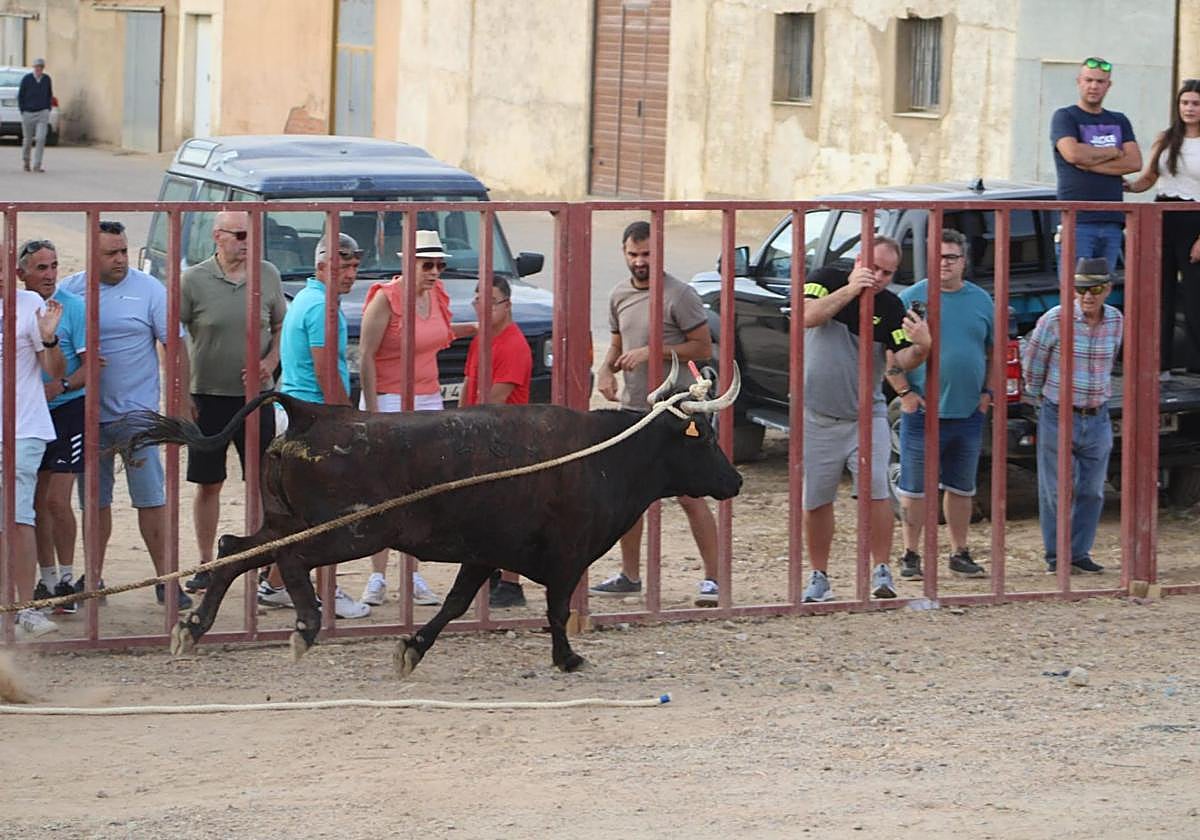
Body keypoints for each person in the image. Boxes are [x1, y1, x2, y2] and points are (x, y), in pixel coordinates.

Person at [60, 219, 194, 609]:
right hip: (86, 415)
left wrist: (180, 402)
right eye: (110, 253)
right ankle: (93, 579)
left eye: (123, 250)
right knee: (93, 502)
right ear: (91, 254)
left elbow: (175, 345)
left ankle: (166, 579)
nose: (120, 259)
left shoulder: (149, 289)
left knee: (151, 498)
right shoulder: (72, 290)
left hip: (137, 417)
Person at [590, 220, 722, 607]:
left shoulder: (679, 295)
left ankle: (713, 579)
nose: (640, 262)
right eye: (633, 254)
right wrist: (605, 369)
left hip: (677, 408)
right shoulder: (618, 295)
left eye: (647, 254)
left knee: (690, 495)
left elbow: (702, 348)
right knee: (631, 497)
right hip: (635, 407)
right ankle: (630, 576)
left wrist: (655, 351)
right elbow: (617, 345)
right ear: (624, 253)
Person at [799, 237, 932, 603]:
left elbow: (895, 363)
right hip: (817, 415)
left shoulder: (890, 305)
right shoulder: (826, 278)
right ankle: (819, 576)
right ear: (859, 260)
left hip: (865, 413)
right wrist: (850, 289)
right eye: (874, 268)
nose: (880, 277)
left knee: (875, 490)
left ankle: (881, 571)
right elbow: (808, 316)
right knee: (815, 499)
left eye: (888, 272)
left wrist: (922, 347)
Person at [357, 229, 476, 608]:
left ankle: (413, 575)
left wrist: (476, 328)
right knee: (384, 489)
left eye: (439, 264)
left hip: (428, 397)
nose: (435, 271)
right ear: (408, 263)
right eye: (428, 264)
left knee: (423, 488)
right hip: (391, 398)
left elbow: (440, 336)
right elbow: (365, 355)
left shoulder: (437, 297)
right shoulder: (385, 299)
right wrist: (373, 411)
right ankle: (377, 575)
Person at [179, 211, 287, 594]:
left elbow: (279, 327)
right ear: (218, 237)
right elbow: (174, 334)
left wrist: (269, 362)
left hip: (257, 398)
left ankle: (260, 561)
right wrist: (180, 393)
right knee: (208, 482)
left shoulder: (268, 274)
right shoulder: (193, 280)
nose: (246, 242)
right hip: (207, 397)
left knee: (263, 482)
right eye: (239, 234)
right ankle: (207, 563)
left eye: (251, 235)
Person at [271, 231, 372, 619]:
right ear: (321, 266)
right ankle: (326, 592)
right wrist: (346, 421)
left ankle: (278, 582)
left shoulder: (311, 300)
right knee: (328, 513)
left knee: (300, 511)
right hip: (315, 418)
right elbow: (326, 368)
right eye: (343, 265)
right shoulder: (321, 308)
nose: (350, 273)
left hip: (300, 413)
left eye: (353, 266)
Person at [888, 229, 993, 580]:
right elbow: (890, 355)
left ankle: (959, 552)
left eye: (952, 257)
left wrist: (987, 393)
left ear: (964, 261)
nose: (944, 263)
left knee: (962, 488)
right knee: (914, 489)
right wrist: (905, 394)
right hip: (922, 412)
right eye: (939, 256)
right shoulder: (912, 299)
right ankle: (910, 554)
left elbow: (993, 350)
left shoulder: (981, 300)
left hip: (968, 412)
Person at [1022, 257, 1123, 575]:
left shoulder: (1116, 320)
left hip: (1097, 413)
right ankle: (1056, 555)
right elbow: (1033, 364)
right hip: (1059, 411)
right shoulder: (1055, 319)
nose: (1087, 296)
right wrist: (1042, 398)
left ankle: (1078, 552)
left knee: (1092, 489)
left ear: (1107, 289)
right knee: (1055, 488)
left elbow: (1112, 360)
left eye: (1094, 288)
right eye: (1080, 289)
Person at [18, 240, 88, 615]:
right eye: (41, 268)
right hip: (28, 415)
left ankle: (67, 576)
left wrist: (58, 387)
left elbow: (91, 366)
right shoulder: (15, 307)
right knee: (34, 503)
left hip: (66, 410)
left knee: (58, 500)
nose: (49, 275)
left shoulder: (72, 307)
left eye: (54, 266)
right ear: (22, 274)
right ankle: (46, 582)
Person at [459, 274, 533, 608]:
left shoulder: (513, 344)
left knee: (510, 514)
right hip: (480, 434)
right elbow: (467, 383)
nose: (482, 307)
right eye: (478, 300)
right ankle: (490, 574)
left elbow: (495, 400)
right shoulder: (483, 339)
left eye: (490, 302)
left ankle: (511, 582)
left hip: (506, 440)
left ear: (507, 305)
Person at [2, 260, 65, 637]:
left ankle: (24, 608)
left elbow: (55, 370)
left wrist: (50, 338)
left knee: (19, 516)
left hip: (23, 426)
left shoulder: (28, 305)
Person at [1124, 79, 1200, 372]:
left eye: (1195, 103)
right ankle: (1161, 364)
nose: (1189, 109)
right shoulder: (1166, 138)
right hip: (1162, 214)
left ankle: (1195, 368)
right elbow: (1149, 178)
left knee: (1193, 296)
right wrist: (1127, 186)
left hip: (1194, 219)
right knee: (1159, 292)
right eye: (1185, 103)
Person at [1050, 56, 1143, 273]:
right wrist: (1112, 152)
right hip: (1077, 220)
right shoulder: (1065, 117)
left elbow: (1134, 162)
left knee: (1102, 289)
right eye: (1089, 80)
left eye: (1100, 81)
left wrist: (1090, 163)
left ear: (1108, 85)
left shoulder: (1119, 120)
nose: (1094, 86)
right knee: (1076, 291)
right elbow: (1072, 154)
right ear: (1079, 81)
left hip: (1112, 219)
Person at [17, 58, 52, 173]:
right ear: (34, 68)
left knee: (41, 138)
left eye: (41, 67)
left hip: (42, 112)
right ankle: (26, 161)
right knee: (27, 140)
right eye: (37, 67)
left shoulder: (46, 79)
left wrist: (48, 108)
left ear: (43, 68)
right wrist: (23, 110)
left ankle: (37, 165)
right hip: (28, 112)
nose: (38, 69)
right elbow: (20, 95)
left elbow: (49, 94)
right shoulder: (27, 79)